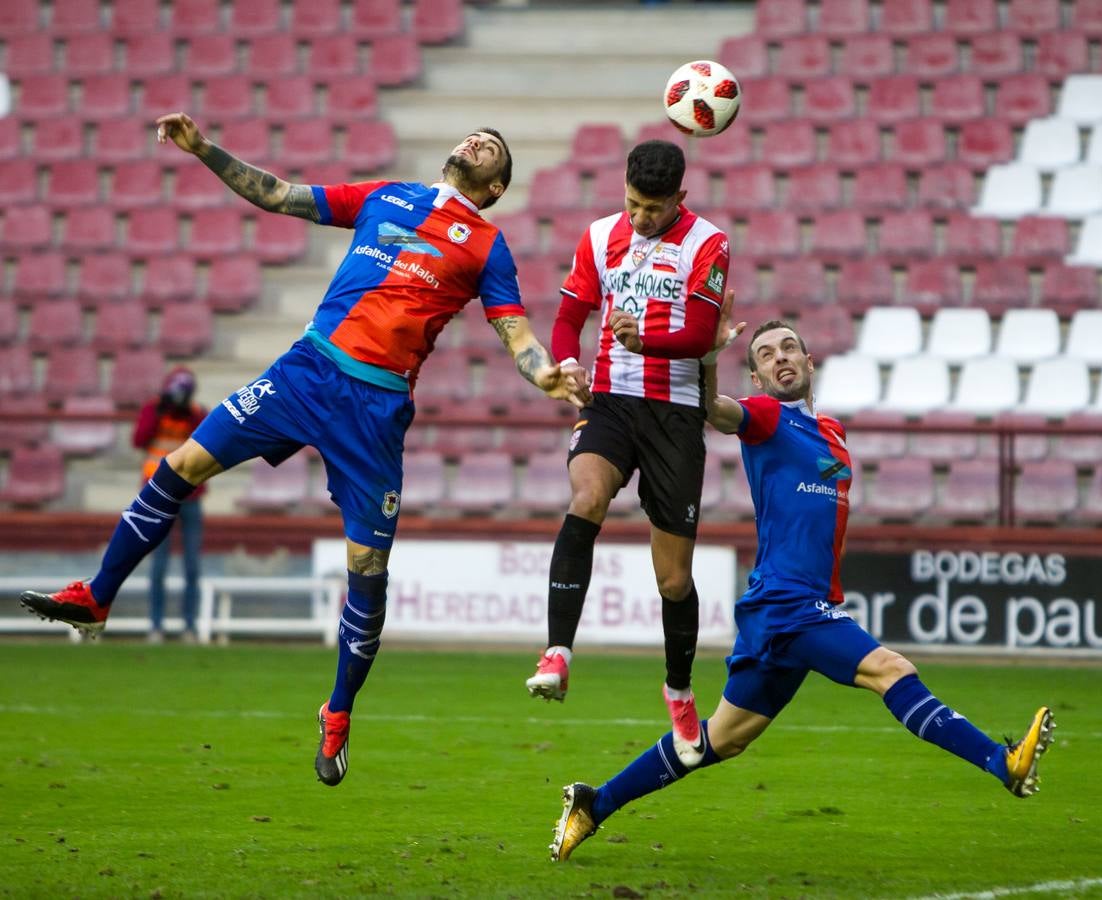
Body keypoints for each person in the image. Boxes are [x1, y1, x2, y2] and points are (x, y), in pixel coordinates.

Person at [19, 111, 589, 787]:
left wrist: (545, 373)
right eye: (475, 136)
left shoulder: (487, 245)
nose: (477, 142)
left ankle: (339, 710)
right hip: (306, 372)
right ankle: (98, 596)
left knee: (367, 567)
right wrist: (205, 149)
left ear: (494, 188)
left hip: (375, 409)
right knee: (181, 467)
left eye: (492, 148)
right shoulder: (387, 197)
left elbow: (515, 334)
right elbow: (278, 194)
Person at [549, 301, 1055, 861]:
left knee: (720, 739)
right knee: (892, 670)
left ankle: (594, 804)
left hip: (788, 606)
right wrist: (710, 354)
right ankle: (1000, 761)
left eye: (788, 348)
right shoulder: (765, 417)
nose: (779, 357)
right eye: (766, 355)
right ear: (758, 378)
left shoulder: (832, 434)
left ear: (810, 362)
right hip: (788, 603)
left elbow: (821, 497)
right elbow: (715, 411)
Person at [525, 140, 730, 767]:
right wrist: (565, 362)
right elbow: (569, 316)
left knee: (672, 579)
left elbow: (700, 334)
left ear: (680, 200)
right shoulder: (599, 236)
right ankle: (558, 653)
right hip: (611, 400)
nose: (639, 218)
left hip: (675, 414)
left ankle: (678, 690)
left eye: (653, 208)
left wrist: (650, 338)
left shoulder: (710, 244)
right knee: (586, 494)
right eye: (632, 203)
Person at [133, 366, 208, 643]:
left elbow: (207, 444)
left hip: (190, 496)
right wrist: (159, 413)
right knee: (159, 565)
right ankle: (156, 625)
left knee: (192, 566)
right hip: (157, 495)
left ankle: (189, 625)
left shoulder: (197, 412)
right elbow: (139, 439)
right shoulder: (153, 408)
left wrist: (190, 414)